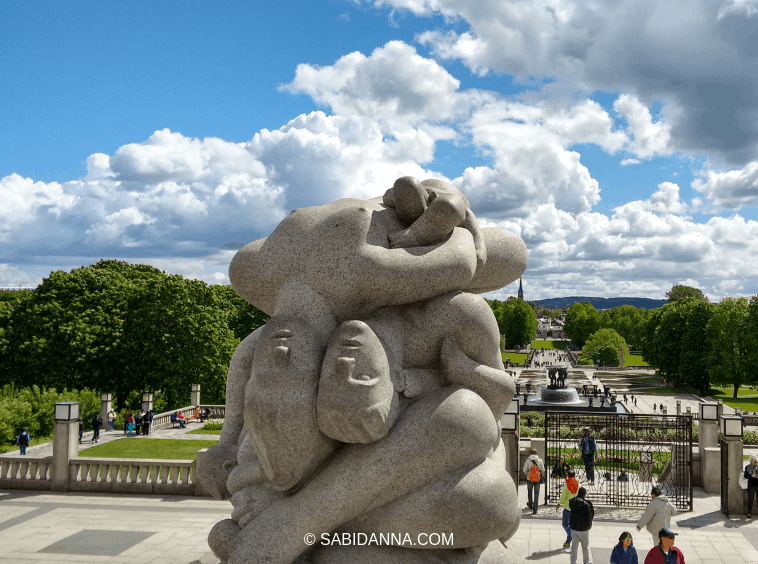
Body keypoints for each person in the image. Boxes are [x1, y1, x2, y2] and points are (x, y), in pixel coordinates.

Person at [383, 177, 487, 268]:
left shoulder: (451, 200)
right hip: (424, 191)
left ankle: (417, 234)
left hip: (445, 199)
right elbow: (389, 195)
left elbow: (467, 214)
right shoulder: (420, 192)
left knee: (451, 204)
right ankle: (417, 232)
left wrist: (479, 246)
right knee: (407, 183)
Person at [568, 487, 594, 564]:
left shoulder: (572, 501)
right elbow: (590, 517)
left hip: (574, 527)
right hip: (584, 529)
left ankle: (573, 562)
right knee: (585, 547)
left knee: (574, 547)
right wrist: (589, 526)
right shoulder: (586, 504)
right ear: (584, 494)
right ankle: (586, 561)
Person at [555, 469, 579, 549]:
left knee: (565, 524)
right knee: (573, 525)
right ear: (575, 475)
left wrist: (559, 504)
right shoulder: (579, 484)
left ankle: (570, 536)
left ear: (568, 476)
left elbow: (563, 496)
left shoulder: (567, 484)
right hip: (575, 509)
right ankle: (568, 542)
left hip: (568, 508)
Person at [523, 448, 545, 514]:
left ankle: (530, 504)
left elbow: (524, 470)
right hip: (537, 479)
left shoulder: (528, 460)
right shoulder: (540, 460)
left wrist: (529, 474)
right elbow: (543, 470)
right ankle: (535, 508)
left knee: (529, 492)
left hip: (529, 479)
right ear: (536, 453)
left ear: (530, 453)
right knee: (536, 493)